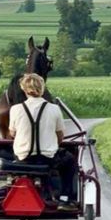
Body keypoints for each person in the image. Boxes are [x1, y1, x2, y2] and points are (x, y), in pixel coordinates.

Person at [8, 73, 77, 211]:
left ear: (24, 89)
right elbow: (60, 135)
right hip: (48, 160)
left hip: (23, 159)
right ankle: (64, 199)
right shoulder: (54, 109)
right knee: (70, 161)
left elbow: (12, 133)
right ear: (42, 89)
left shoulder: (15, 109)